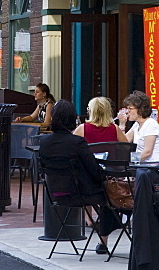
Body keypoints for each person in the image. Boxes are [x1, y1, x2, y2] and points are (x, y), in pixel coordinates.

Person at [39, 99, 121, 254]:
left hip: (55, 194)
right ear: (72, 119)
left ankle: (93, 222)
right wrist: (105, 179)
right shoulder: (77, 142)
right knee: (110, 193)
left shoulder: (44, 142)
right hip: (79, 194)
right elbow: (94, 170)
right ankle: (103, 241)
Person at [118, 91, 159, 164]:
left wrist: (130, 161)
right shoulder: (137, 124)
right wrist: (122, 125)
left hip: (152, 168)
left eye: (130, 108)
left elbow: (147, 152)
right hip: (140, 166)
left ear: (140, 109)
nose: (127, 112)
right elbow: (125, 143)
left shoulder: (151, 124)